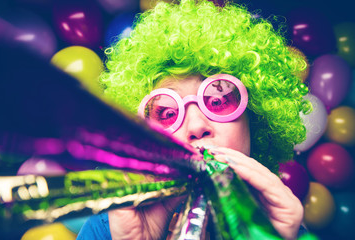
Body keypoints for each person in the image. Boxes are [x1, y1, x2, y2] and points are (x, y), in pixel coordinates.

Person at [77, 0, 311, 239]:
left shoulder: (283, 228)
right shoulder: (109, 228)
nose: (197, 127)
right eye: (168, 113)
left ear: (255, 117)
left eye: (218, 100)